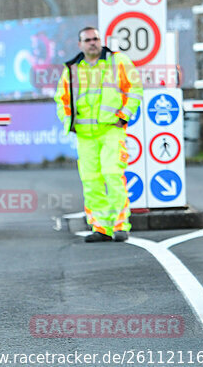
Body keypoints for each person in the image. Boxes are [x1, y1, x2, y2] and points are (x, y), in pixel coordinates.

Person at [55, 27, 143, 243]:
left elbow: (135, 89)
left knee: (113, 174)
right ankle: (101, 227)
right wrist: (70, 123)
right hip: (85, 135)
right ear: (80, 44)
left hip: (111, 129)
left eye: (95, 39)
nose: (92, 43)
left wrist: (123, 117)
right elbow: (61, 100)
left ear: (100, 41)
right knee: (91, 180)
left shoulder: (117, 61)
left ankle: (121, 225)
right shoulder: (72, 69)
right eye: (87, 40)